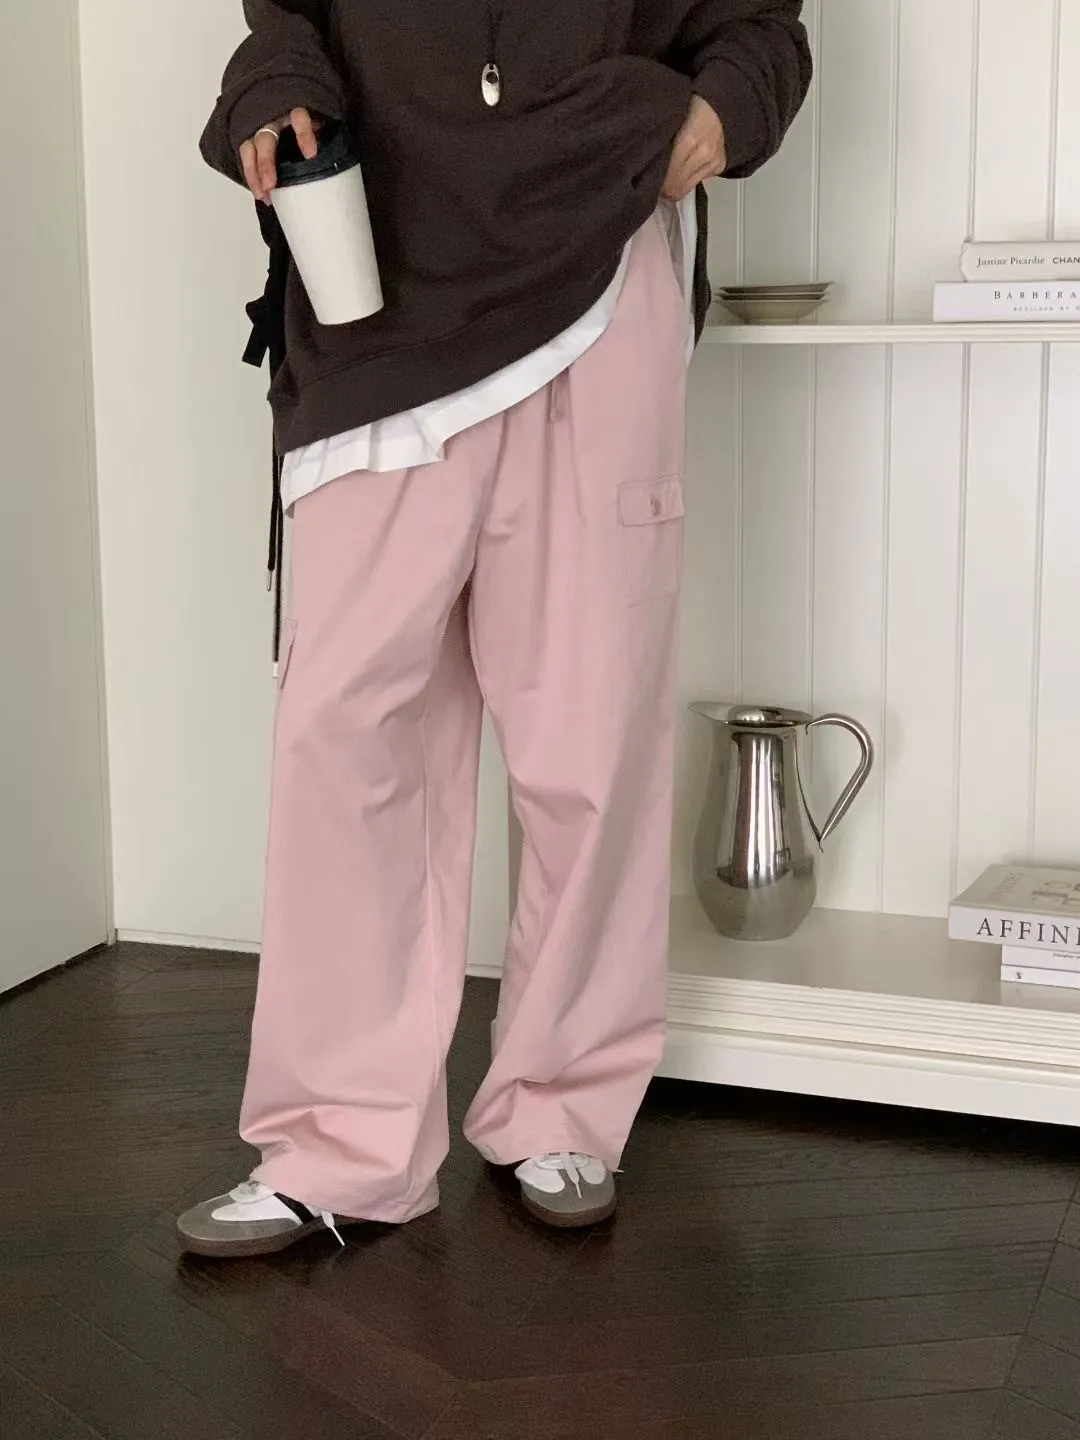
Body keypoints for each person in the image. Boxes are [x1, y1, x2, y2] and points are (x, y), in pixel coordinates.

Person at [178, 0, 811, 1257]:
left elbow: (763, 22)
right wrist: (275, 84)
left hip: (603, 262)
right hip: (376, 272)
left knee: (589, 732)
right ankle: (339, 1146)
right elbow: (287, 12)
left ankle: (561, 1107)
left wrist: (720, 112)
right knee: (346, 732)